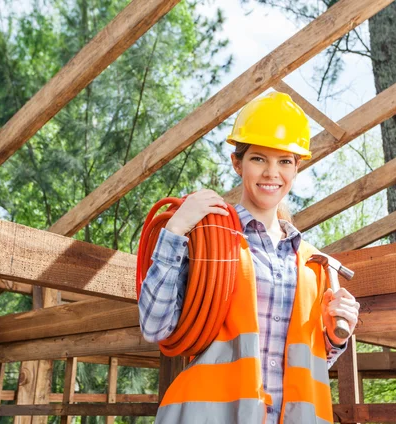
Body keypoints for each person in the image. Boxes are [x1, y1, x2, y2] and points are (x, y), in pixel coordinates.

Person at [138, 91, 360, 424]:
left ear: (296, 168)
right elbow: (154, 327)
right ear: (237, 163)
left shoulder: (310, 262)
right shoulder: (206, 240)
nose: (272, 172)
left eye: (285, 161)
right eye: (259, 158)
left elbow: (300, 364)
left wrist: (333, 337)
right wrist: (175, 231)